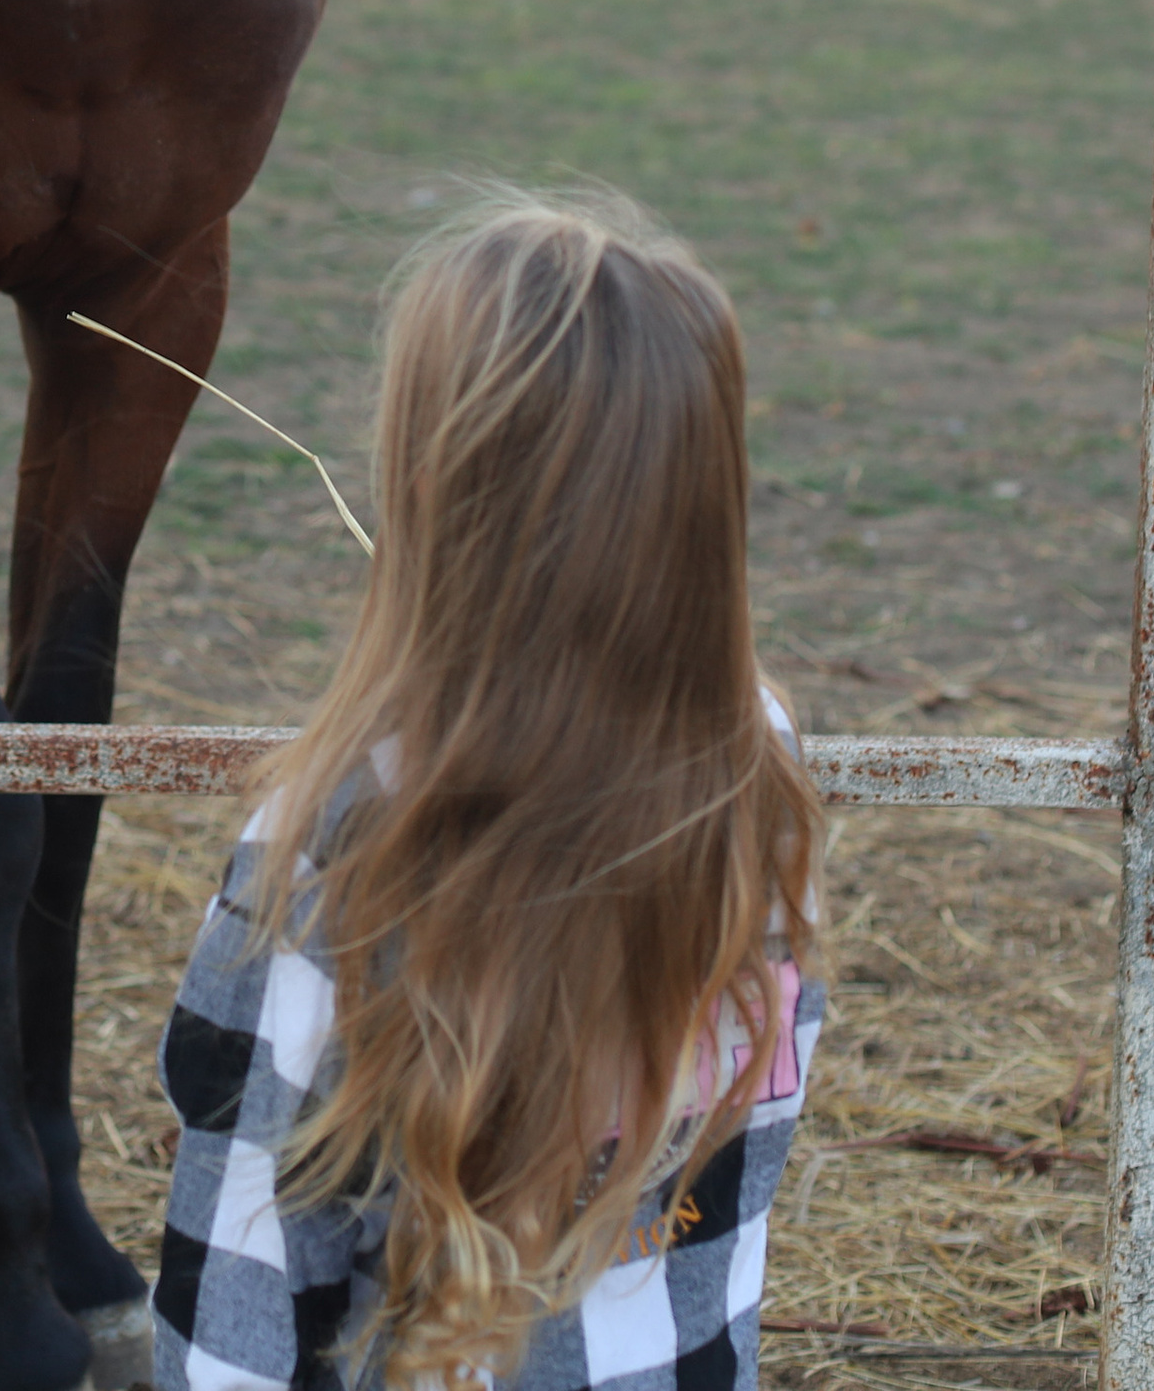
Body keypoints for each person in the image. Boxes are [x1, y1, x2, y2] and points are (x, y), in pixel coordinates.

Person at [152, 194, 823, 1391]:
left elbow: (247, 1273)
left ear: (427, 489)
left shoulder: (342, 830)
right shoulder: (757, 767)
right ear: (705, 493)